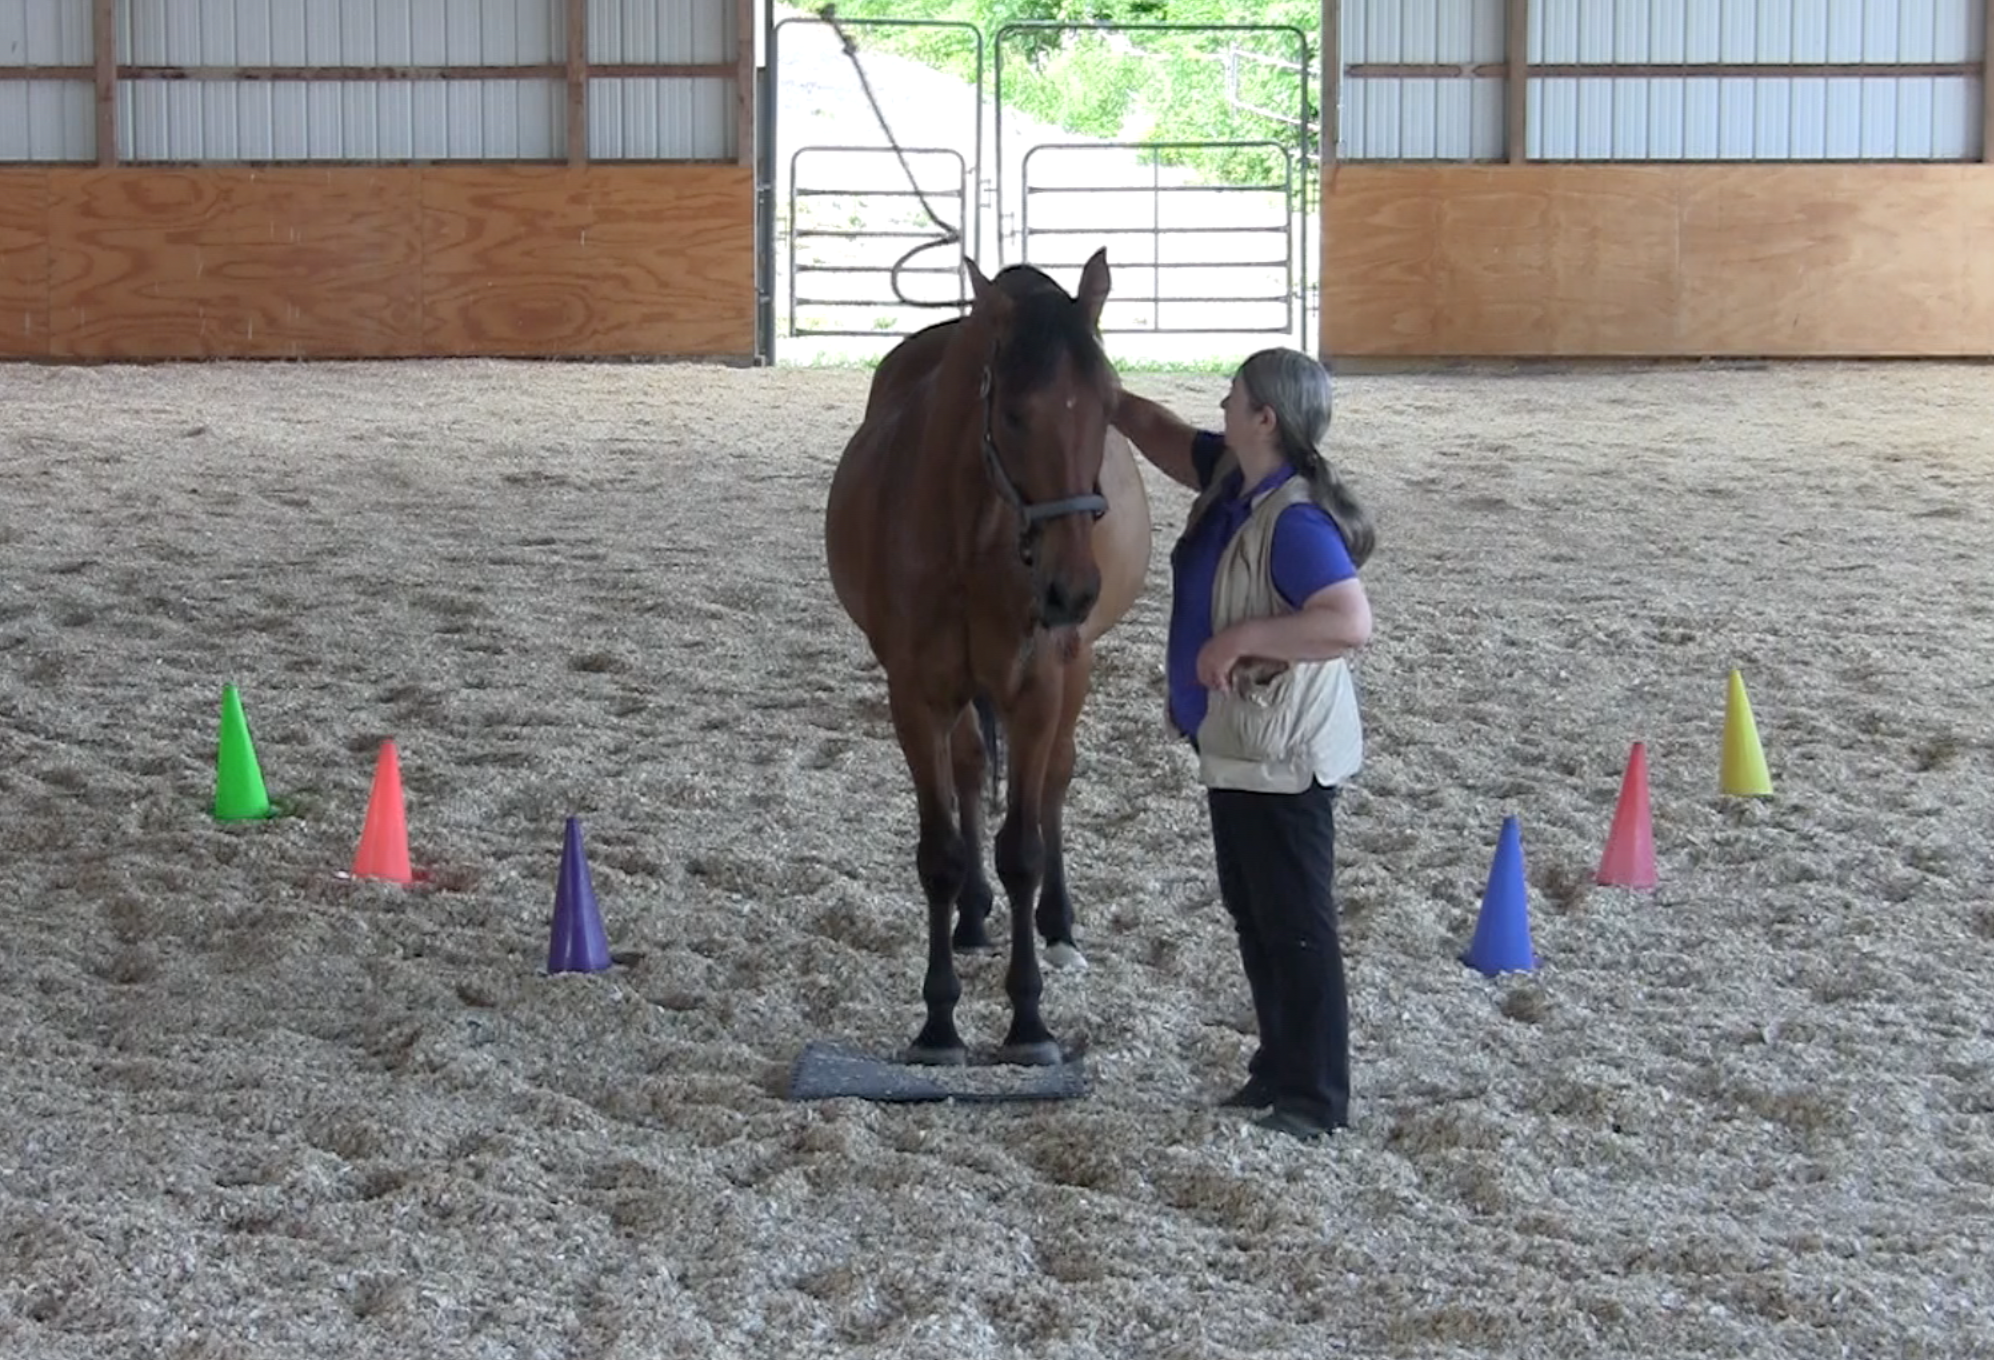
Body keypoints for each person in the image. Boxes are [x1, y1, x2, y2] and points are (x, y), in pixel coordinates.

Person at [1111, 347, 1376, 1143]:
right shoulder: (1237, 481)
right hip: (1239, 742)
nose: (1221, 407)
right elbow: (1162, 435)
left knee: (1296, 920)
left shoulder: (1292, 520)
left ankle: (1316, 1096)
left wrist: (1242, 639)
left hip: (1285, 751)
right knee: (1255, 915)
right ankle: (1277, 1067)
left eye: (1232, 398)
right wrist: (1102, 392)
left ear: (1266, 418)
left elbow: (1347, 621)